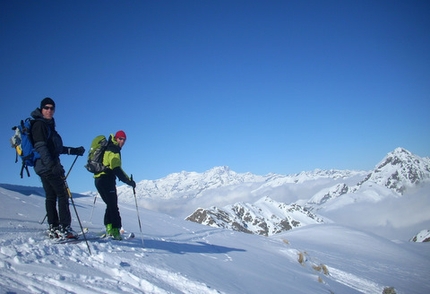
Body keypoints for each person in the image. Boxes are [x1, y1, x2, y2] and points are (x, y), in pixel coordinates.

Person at [31, 97, 85, 239]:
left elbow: (56, 148)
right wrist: (52, 166)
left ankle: (54, 226)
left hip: (43, 167)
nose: (49, 110)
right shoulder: (40, 125)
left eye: (52, 108)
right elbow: (41, 147)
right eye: (46, 108)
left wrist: (74, 150)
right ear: (41, 109)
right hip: (48, 167)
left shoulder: (48, 126)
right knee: (62, 195)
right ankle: (64, 228)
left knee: (51, 196)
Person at [94, 130, 135, 240]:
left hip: (99, 180)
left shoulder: (109, 148)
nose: (122, 141)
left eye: (124, 139)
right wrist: (128, 181)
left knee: (110, 204)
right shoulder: (114, 150)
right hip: (106, 180)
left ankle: (109, 227)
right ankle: (115, 231)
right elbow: (116, 168)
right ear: (116, 138)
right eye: (120, 139)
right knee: (113, 206)